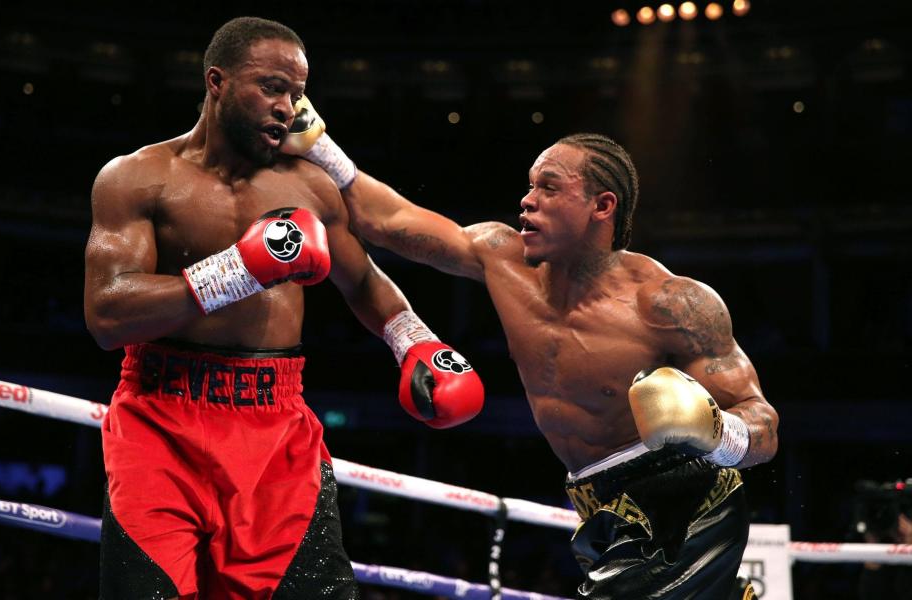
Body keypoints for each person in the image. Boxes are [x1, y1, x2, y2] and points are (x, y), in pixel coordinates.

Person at [83, 17, 483, 600]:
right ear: (215, 82)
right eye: (271, 87)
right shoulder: (137, 179)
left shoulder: (312, 188)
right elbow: (107, 315)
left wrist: (413, 341)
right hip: (159, 423)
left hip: (275, 429)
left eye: (297, 93)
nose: (288, 108)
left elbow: (364, 281)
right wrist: (240, 270)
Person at [293, 118, 779, 598]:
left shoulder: (670, 304)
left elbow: (763, 426)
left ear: (602, 205)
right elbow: (387, 221)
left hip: (686, 508)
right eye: (530, 187)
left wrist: (716, 432)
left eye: (549, 188)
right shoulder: (500, 258)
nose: (527, 201)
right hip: (599, 506)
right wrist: (316, 137)